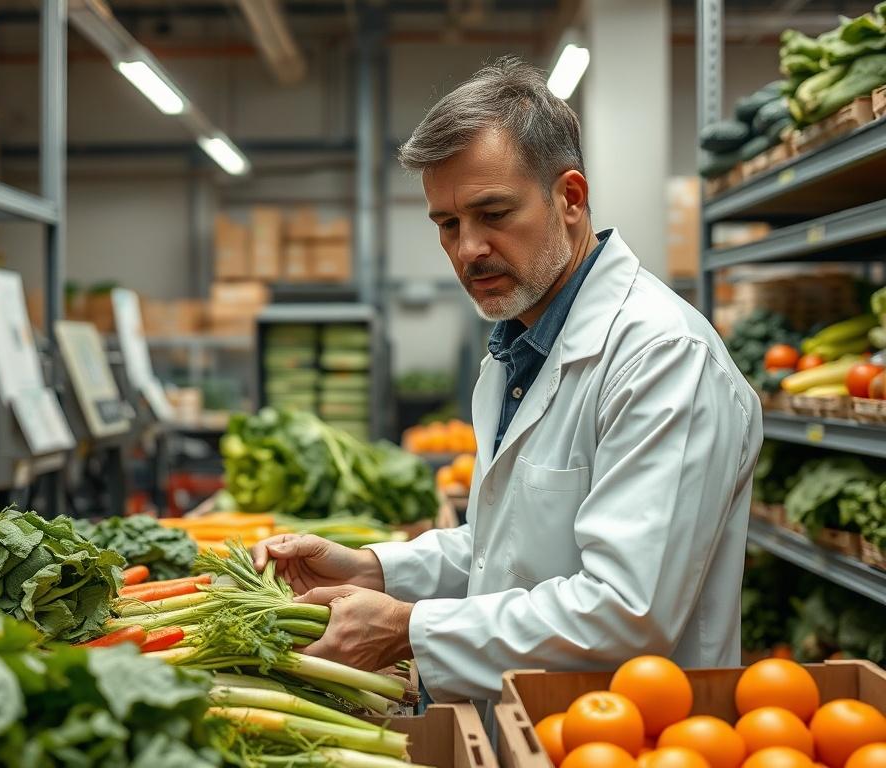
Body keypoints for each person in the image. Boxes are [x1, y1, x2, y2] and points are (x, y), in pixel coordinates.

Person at [252, 56, 762, 705]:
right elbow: (512, 548)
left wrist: (410, 627)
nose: (467, 249)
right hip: (533, 720)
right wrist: (377, 568)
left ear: (569, 198)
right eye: (447, 224)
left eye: (493, 213)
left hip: (633, 731)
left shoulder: (662, 358)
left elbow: (628, 611)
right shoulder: (520, 347)